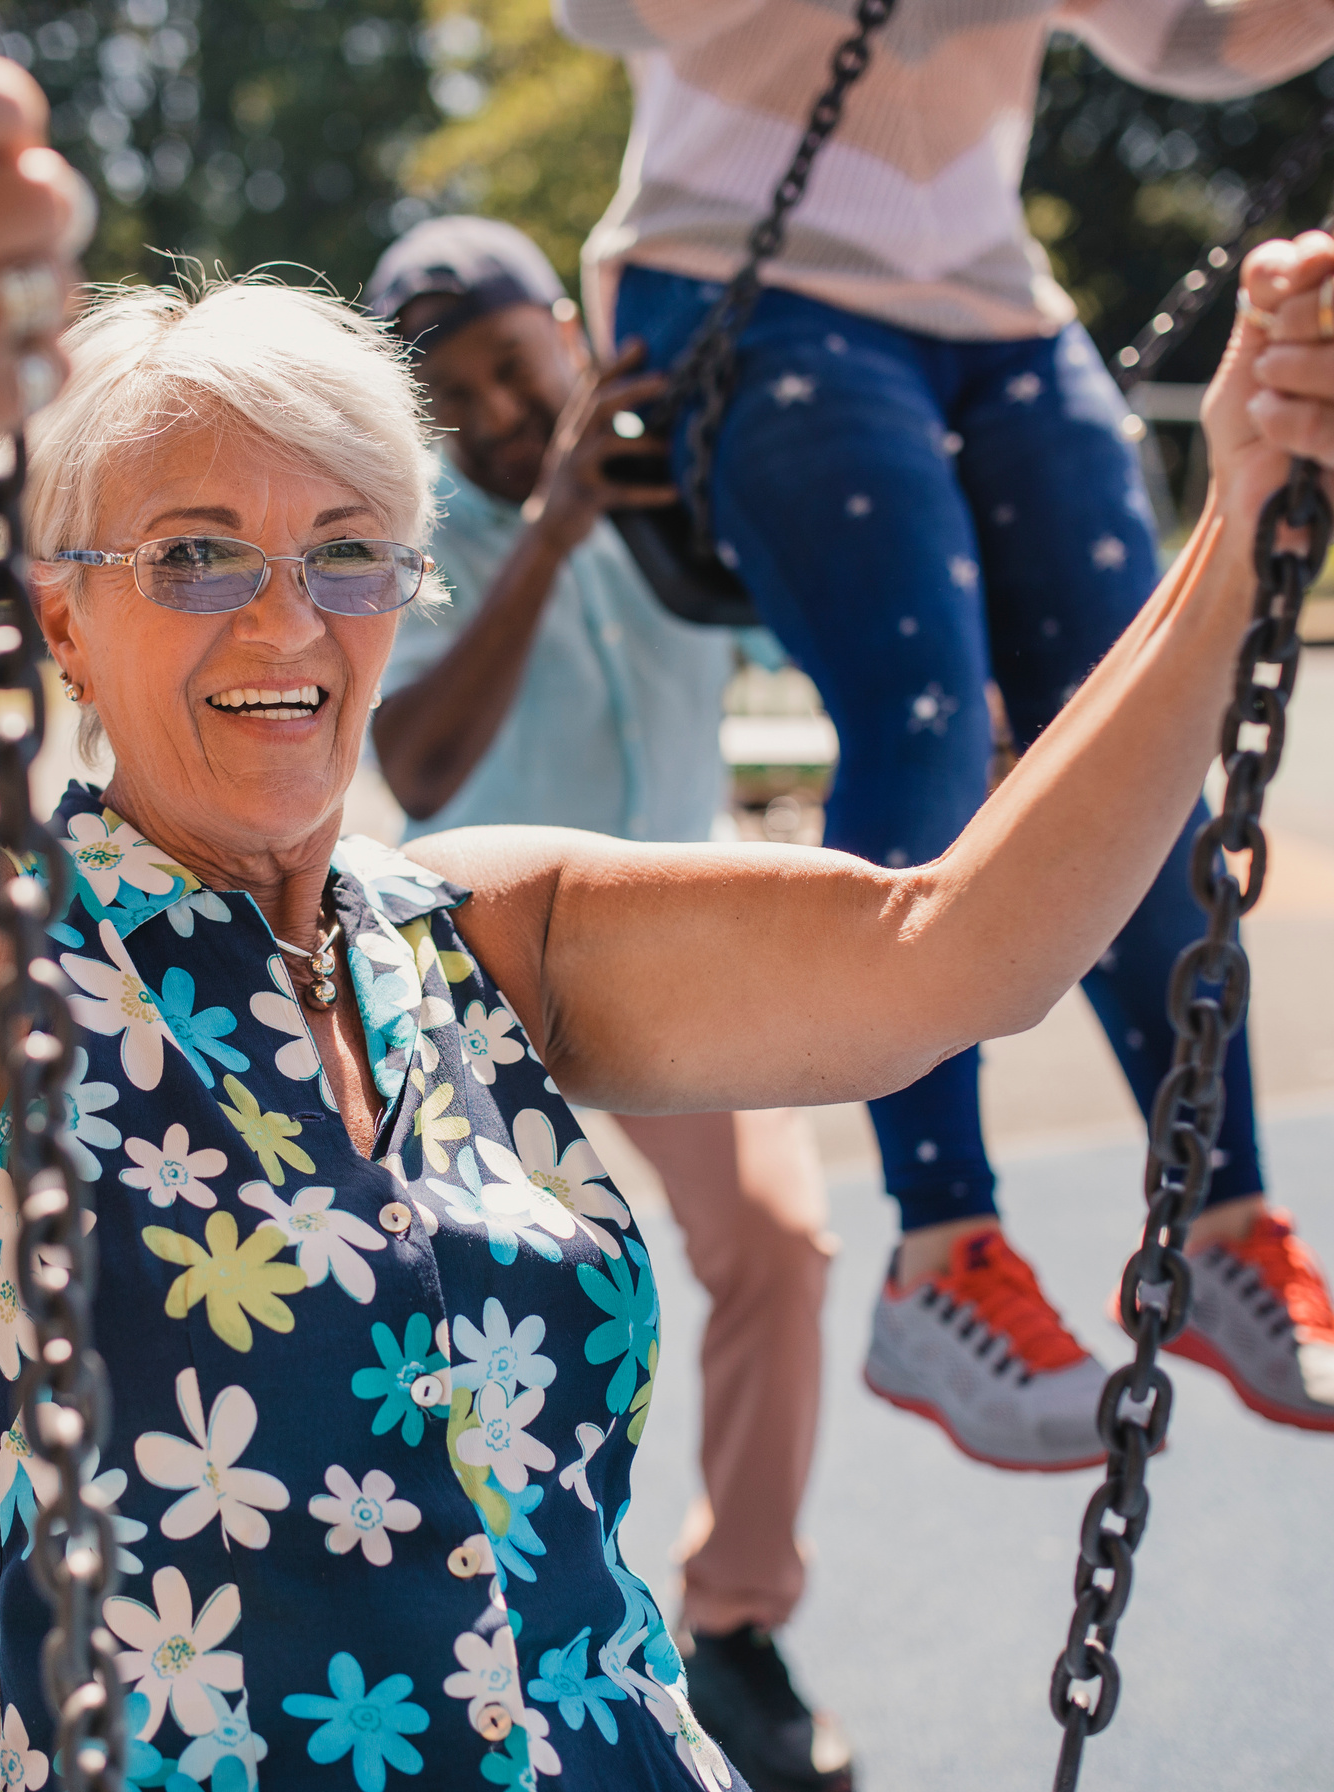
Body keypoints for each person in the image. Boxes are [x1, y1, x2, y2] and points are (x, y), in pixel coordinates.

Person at [0, 42, 1334, 1792]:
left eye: (349, 552)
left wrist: (1250, 526)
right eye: (197, 554)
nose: (289, 624)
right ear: (62, 618)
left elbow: (953, 955)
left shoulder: (483, 932)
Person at [559, 0, 1334, 1471]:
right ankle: (942, 1255)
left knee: (1141, 725)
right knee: (928, 719)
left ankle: (1221, 1220)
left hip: (992, 298)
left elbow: (1187, 39)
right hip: (736, 267)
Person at [363, 215, 847, 1792]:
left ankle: (737, 1623)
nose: (501, 416)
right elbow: (418, 764)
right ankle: (456, 1635)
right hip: (472, 978)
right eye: (458, 401)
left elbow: (821, 622)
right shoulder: (410, 546)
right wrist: (552, 529)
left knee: (775, 1244)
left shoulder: (678, 502)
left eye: (517, 370)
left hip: (668, 958)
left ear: (572, 336)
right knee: (456, 1323)